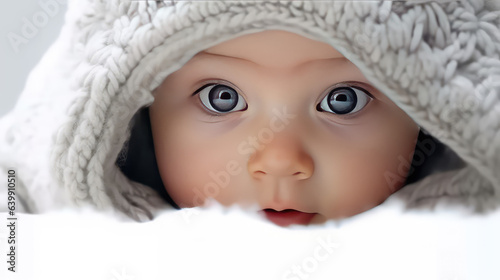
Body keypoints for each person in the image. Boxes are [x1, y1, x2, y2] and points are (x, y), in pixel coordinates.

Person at [1, 1, 498, 226]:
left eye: (343, 99)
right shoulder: (34, 242)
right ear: (136, 113)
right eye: (222, 97)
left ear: (433, 111)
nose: (280, 160)